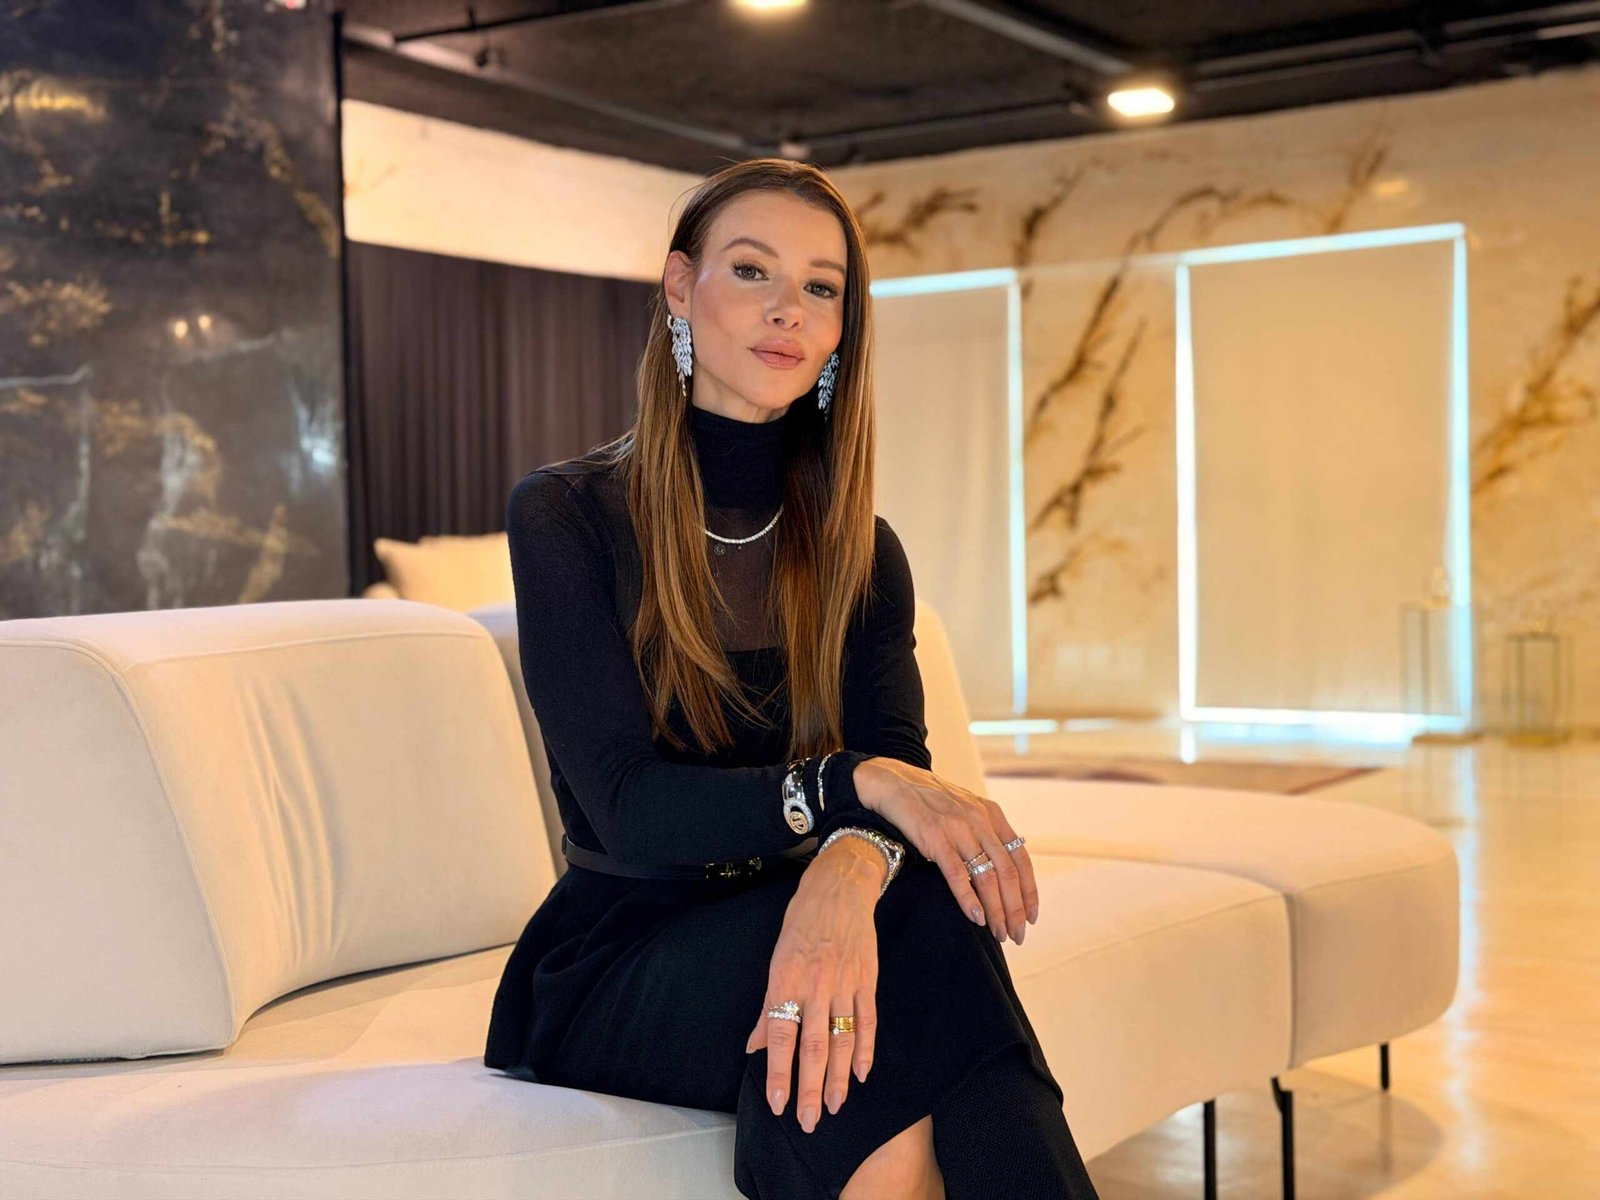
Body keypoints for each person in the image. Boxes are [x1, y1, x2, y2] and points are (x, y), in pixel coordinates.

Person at [483, 158, 1100, 1199]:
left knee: (908, 986)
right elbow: (629, 806)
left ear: (842, 329)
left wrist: (845, 871)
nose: (789, 310)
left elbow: (897, 761)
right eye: (751, 270)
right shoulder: (566, 516)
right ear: (680, 287)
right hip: (623, 954)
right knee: (933, 939)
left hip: (800, 914)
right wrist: (847, 788)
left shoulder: (863, 550)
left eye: (821, 287)